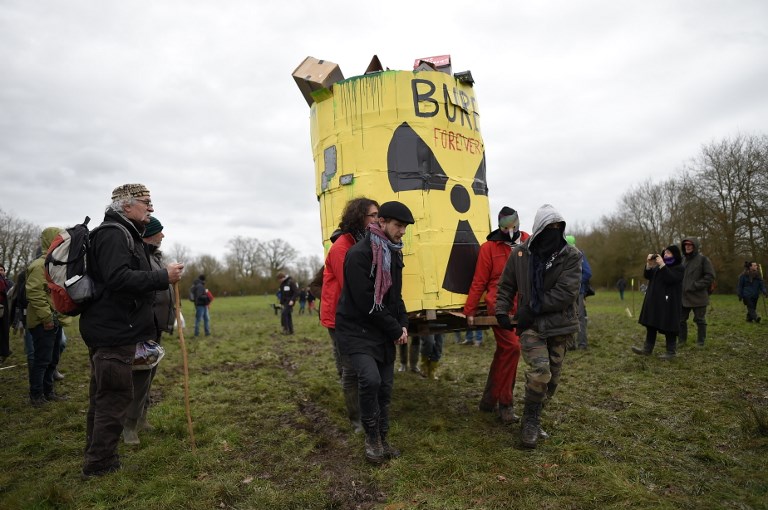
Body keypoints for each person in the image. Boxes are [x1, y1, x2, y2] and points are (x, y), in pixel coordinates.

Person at [79, 183, 184, 479]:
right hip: (113, 333)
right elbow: (117, 278)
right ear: (126, 206)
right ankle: (100, 464)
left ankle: (96, 453)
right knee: (113, 398)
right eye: (146, 202)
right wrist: (163, 276)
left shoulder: (124, 233)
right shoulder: (113, 234)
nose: (151, 207)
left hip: (114, 329)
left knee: (103, 397)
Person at [495, 204, 581, 449]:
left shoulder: (571, 255)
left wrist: (531, 307)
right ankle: (530, 422)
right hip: (531, 326)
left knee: (551, 380)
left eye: (558, 228)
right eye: (549, 228)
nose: (553, 232)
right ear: (539, 229)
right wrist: (501, 310)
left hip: (560, 325)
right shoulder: (521, 254)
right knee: (540, 371)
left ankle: (534, 414)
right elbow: (506, 285)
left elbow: (566, 293)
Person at [335, 200, 413, 464]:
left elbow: (396, 297)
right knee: (370, 380)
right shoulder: (359, 254)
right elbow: (367, 300)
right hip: (356, 331)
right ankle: (371, 440)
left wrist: (403, 323)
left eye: (405, 227)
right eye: (398, 225)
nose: (403, 231)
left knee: (386, 389)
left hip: (380, 331)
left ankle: (382, 438)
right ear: (381, 223)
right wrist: (393, 327)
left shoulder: (393, 253)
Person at [464, 206, 530, 425]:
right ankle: (505, 404)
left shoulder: (529, 241)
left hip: (521, 308)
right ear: (500, 227)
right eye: (505, 227)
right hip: (498, 307)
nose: (510, 231)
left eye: (513, 226)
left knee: (505, 352)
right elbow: (479, 280)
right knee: (512, 348)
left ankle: (488, 399)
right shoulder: (489, 248)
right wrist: (470, 310)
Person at [320, 197, 379, 432]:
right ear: (359, 217)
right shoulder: (342, 247)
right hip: (340, 317)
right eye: (372, 216)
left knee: (361, 365)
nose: (377, 220)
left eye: (378, 215)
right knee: (350, 368)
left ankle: (368, 412)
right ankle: (357, 420)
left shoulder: (364, 241)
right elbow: (352, 285)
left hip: (358, 312)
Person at [122, 216, 175, 445]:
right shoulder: (141, 256)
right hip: (142, 328)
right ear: (149, 234)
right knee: (140, 376)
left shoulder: (155, 257)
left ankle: (142, 417)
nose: (163, 236)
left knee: (149, 375)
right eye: (159, 232)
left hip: (156, 328)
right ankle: (128, 426)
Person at [25, 227, 66, 406]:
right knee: (42, 360)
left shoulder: (52, 263)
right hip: (44, 322)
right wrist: (47, 318)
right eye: (59, 239)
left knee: (52, 359)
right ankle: (36, 396)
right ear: (51, 241)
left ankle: (48, 392)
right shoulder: (39, 266)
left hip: (54, 320)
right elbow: (34, 293)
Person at [631, 246, 684, 360]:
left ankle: (671, 352)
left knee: (670, 327)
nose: (665, 255)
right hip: (655, 302)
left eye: (668, 253)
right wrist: (649, 264)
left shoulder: (679, 268)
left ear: (675, 255)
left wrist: (663, 265)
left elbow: (671, 279)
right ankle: (647, 349)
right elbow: (648, 276)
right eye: (664, 253)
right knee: (651, 325)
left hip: (669, 303)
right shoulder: (658, 267)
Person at [679, 237, 716, 347]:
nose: (688, 246)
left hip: (698, 296)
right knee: (680, 320)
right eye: (686, 245)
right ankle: (681, 341)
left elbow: (710, 276)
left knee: (700, 320)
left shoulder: (703, 260)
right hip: (683, 296)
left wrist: (695, 285)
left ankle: (701, 342)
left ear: (695, 246)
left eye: (690, 245)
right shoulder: (682, 260)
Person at [565, 235, 592, 350]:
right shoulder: (563, 256)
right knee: (568, 318)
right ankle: (570, 345)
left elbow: (587, 273)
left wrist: (576, 283)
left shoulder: (580, 255)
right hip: (566, 293)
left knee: (579, 318)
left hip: (578, 292)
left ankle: (582, 344)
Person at [0, 264, 13, 362]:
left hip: (7, 311)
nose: (0, 271)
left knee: (5, 331)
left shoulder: (9, 283)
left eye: (1, 270)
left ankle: (4, 352)